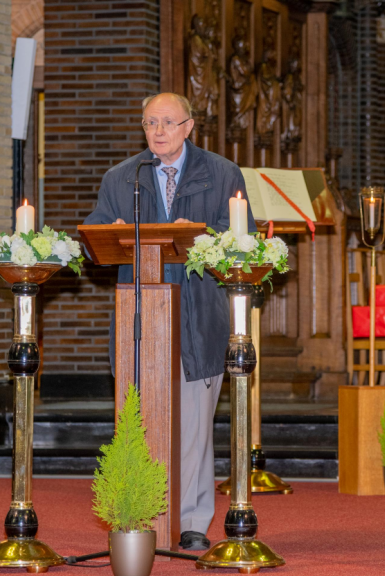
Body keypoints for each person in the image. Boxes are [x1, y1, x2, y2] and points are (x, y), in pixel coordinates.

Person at [84, 93, 256, 551]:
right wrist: (114, 230)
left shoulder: (221, 173)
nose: (157, 131)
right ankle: (138, 510)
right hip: (140, 318)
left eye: (167, 122)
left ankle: (192, 520)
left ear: (189, 127)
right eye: (149, 123)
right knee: (136, 420)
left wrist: (197, 238)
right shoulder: (123, 177)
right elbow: (94, 236)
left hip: (199, 316)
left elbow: (241, 238)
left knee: (195, 427)